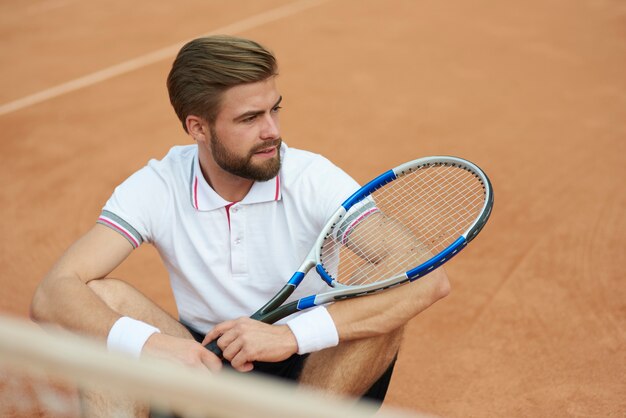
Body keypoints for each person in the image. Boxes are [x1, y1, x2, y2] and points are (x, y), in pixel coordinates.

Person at [30, 35, 450, 414]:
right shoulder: (157, 185)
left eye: (275, 110)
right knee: (106, 297)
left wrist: (291, 337)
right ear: (198, 127)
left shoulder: (311, 178)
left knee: (389, 296)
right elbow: (53, 292)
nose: (273, 131)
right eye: (249, 119)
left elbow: (427, 276)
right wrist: (152, 345)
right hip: (203, 362)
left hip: (312, 367)